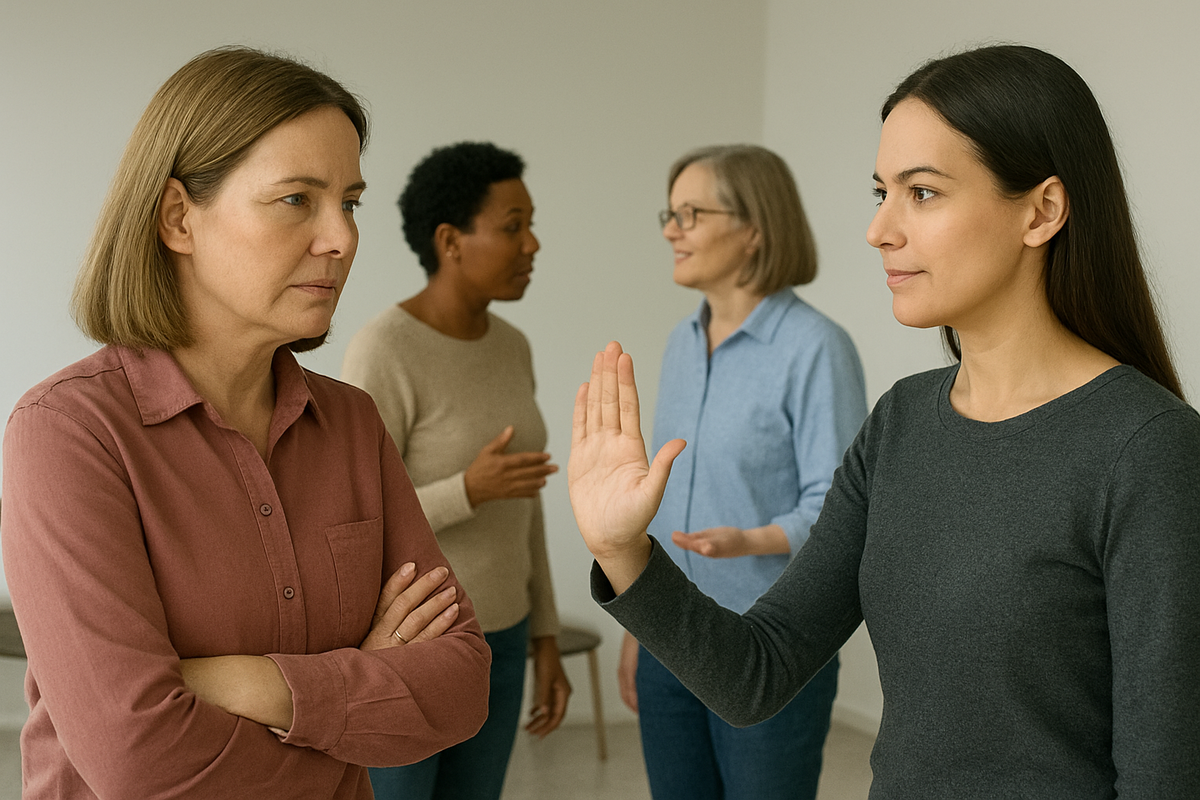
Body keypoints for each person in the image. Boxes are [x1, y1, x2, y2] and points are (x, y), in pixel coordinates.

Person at [567, 44, 1200, 799]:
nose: (879, 230)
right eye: (882, 192)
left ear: (1043, 210)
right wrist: (620, 548)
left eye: (924, 193)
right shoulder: (901, 421)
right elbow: (757, 673)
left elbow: (1165, 775)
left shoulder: (1147, 449)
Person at [0, 47, 490, 799]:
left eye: (349, 202)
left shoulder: (352, 421)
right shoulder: (65, 433)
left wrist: (253, 687)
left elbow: (459, 688)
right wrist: (357, 690)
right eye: (297, 199)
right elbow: (138, 762)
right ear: (177, 218)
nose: (341, 238)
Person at [617, 145, 866, 800]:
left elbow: (842, 510)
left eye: (691, 213)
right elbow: (659, 502)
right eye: (669, 214)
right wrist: (640, 624)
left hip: (771, 644)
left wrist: (750, 540)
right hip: (669, 637)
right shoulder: (678, 343)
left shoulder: (816, 348)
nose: (672, 230)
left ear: (753, 228)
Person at [341, 141, 570, 800]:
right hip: (418, 643)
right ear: (450, 240)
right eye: (512, 226)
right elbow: (357, 515)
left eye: (530, 224)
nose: (532, 244)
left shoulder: (513, 347)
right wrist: (466, 491)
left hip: (506, 632)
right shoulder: (385, 349)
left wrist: (544, 634)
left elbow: (523, 506)